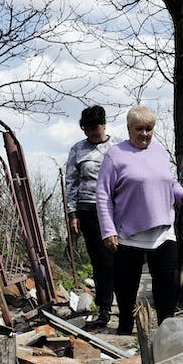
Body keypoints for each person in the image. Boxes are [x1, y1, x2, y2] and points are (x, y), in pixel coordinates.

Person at [96, 105, 183, 334]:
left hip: (163, 230)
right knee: (126, 286)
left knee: (167, 284)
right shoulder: (115, 155)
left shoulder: (160, 152)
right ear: (129, 128)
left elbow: (170, 184)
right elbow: (103, 195)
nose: (144, 134)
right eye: (139, 129)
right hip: (129, 231)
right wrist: (108, 231)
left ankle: (167, 329)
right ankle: (125, 327)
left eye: (149, 129)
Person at [64, 105, 115, 329]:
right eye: (86, 129)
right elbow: (71, 183)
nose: (91, 133)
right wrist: (73, 214)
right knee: (100, 261)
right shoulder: (77, 149)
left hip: (115, 209)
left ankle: (126, 305)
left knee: (119, 259)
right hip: (88, 210)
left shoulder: (118, 147)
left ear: (103, 125)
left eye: (94, 128)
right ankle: (104, 309)